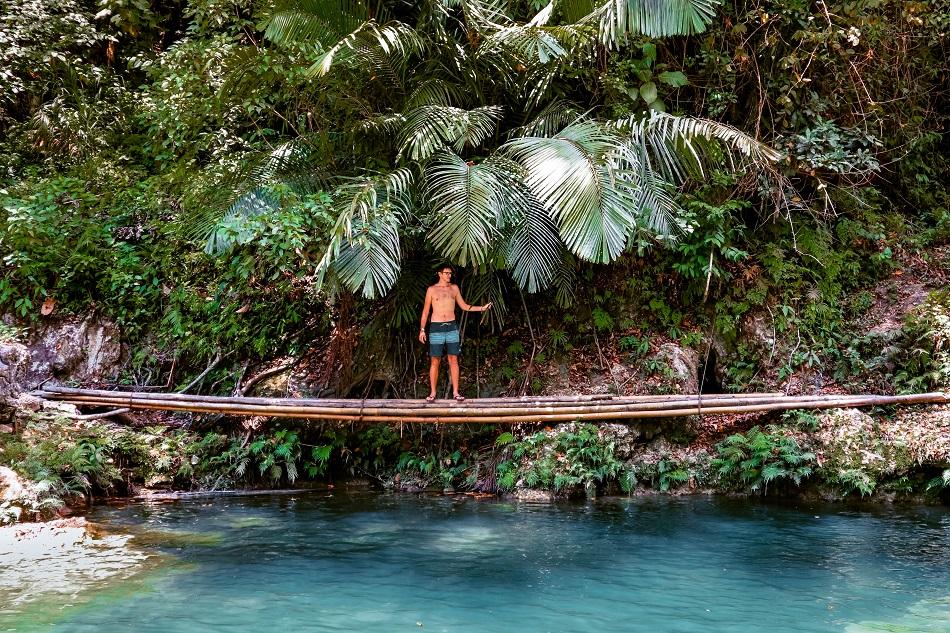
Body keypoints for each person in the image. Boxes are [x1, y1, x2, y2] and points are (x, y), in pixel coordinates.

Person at [418, 266, 491, 402]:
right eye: (446, 273)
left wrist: (482, 308)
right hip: (436, 328)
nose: (449, 276)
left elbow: (464, 306)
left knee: (454, 360)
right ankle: (433, 393)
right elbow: (425, 312)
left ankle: (456, 392)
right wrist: (422, 329)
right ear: (440, 274)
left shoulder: (454, 288)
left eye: (450, 273)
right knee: (435, 360)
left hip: (451, 327)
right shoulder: (432, 290)